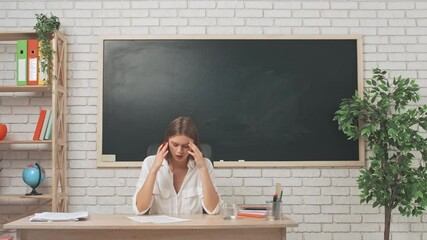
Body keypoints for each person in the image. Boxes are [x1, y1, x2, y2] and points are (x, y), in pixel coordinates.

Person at [132, 116, 220, 215]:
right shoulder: (149, 163)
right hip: (160, 229)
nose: (179, 151)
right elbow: (139, 210)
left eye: (186, 146)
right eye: (175, 144)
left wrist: (203, 168)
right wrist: (154, 170)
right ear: (166, 143)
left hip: (192, 229)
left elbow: (213, 210)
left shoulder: (205, 164)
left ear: (194, 145)